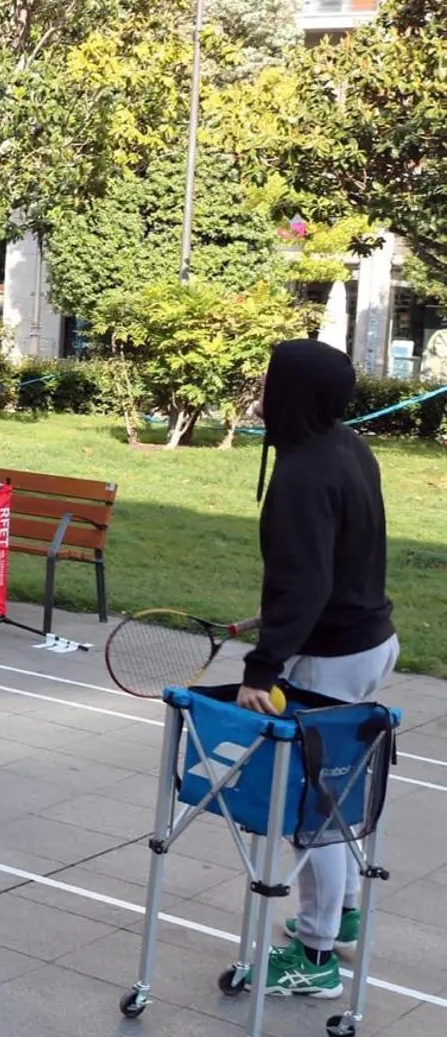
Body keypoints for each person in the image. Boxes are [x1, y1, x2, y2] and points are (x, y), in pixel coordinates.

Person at [235, 340, 397, 1000]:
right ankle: (344, 910)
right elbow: (337, 556)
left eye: (270, 379)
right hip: (370, 638)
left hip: (333, 658)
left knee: (316, 813)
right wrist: (274, 615)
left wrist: (262, 665)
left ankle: (315, 954)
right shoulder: (347, 447)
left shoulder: (303, 473)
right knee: (337, 798)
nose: (261, 388)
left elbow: (306, 582)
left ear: (291, 393)